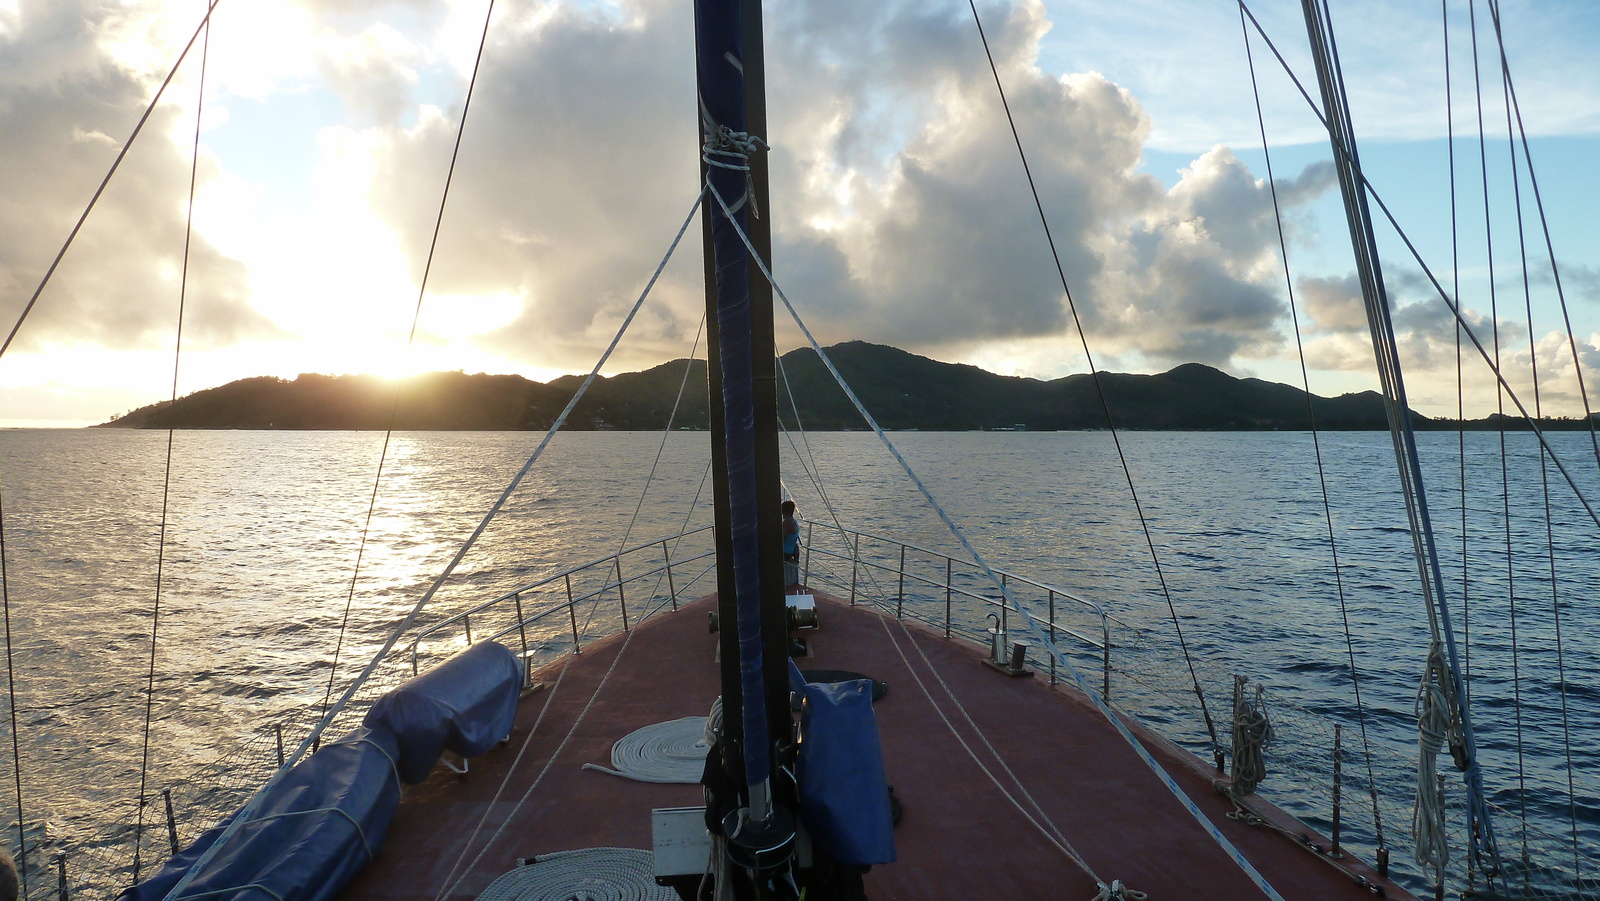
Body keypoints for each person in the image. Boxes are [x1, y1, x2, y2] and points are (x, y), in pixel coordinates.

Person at [780, 499, 800, 588]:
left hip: (784, 553)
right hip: (790, 550)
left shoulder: (787, 522)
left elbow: (781, 538)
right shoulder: (794, 521)